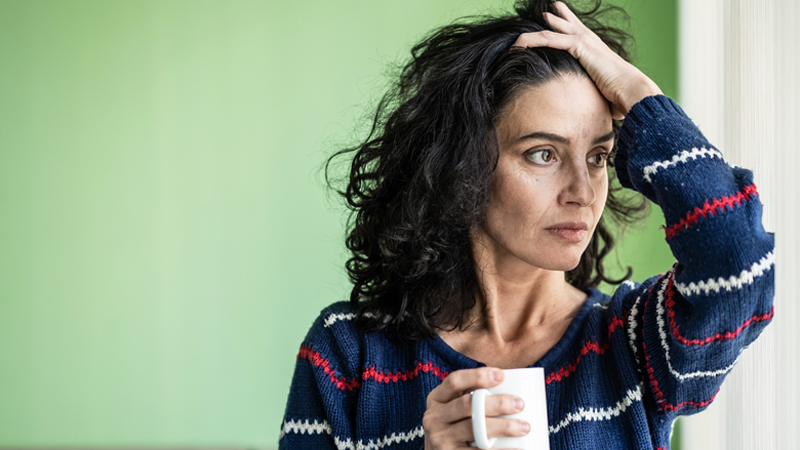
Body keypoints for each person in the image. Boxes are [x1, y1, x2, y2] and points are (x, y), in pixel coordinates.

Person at [278, 0, 775, 448]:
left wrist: (643, 98)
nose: (583, 192)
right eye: (543, 154)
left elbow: (738, 262)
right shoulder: (348, 354)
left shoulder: (634, 345)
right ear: (462, 166)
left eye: (598, 157)